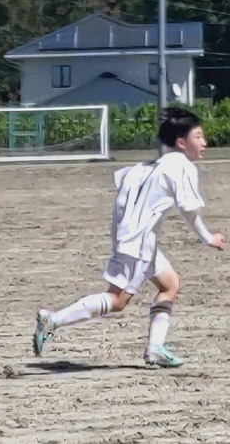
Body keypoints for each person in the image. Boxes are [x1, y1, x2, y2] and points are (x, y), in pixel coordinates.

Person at [33, 107, 227, 368]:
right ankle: (53, 320)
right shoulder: (182, 166)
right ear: (182, 142)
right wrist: (208, 238)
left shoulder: (153, 164)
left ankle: (155, 349)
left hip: (133, 236)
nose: (205, 143)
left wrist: (126, 231)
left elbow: (123, 187)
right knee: (118, 300)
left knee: (170, 284)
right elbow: (189, 210)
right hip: (139, 241)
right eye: (199, 137)